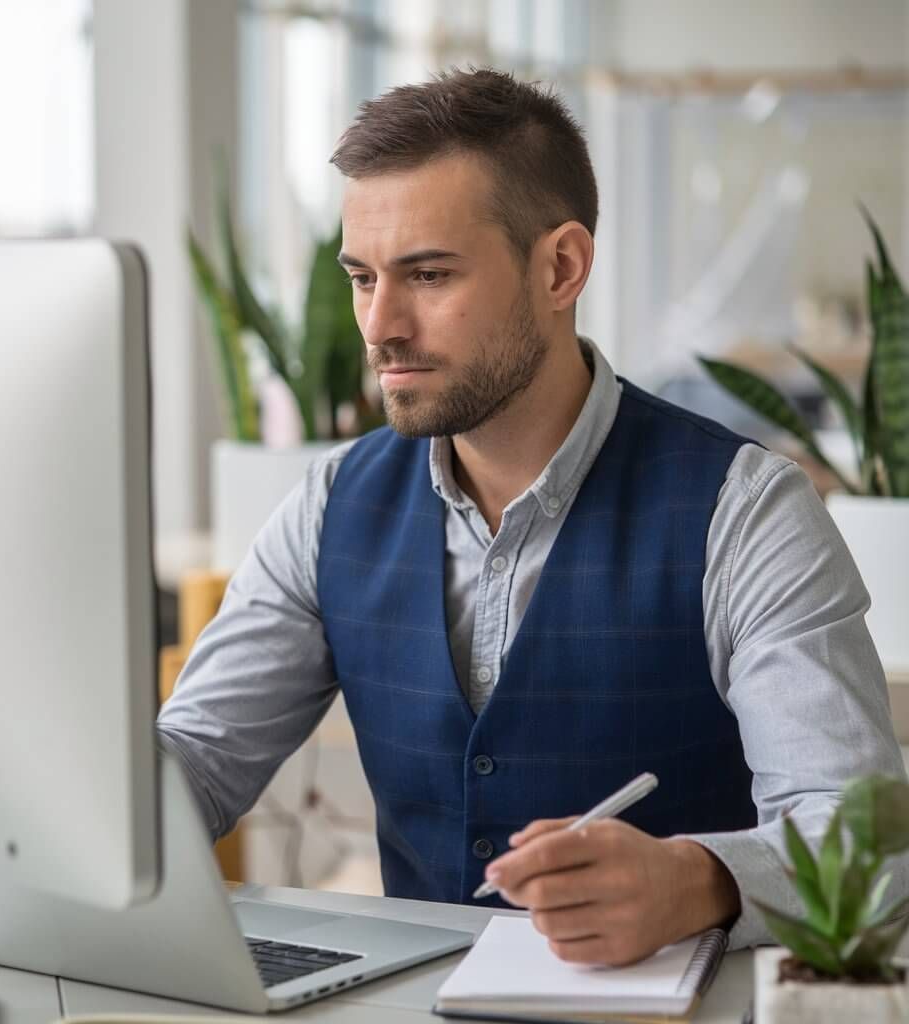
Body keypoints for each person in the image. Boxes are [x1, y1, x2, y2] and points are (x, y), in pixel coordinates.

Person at [157, 67, 907, 966]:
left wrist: (702, 879)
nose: (379, 325)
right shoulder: (329, 506)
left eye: (428, 274)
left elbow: (868, 845)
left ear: (561, 267)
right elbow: (195, 762)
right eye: (361, 278)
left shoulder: (746, 512)